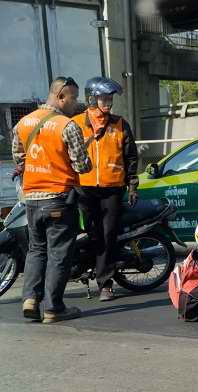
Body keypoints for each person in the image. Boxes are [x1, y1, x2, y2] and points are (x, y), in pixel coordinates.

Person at [12, 76, 92, 323]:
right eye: (73, 98)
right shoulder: (66, 126)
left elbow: (19, 158)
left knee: (36, 251)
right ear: (61, 96)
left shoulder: (23, 123)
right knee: (59, 254)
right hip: (58, 198)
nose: (75, 103)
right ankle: (53, 308)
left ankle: (30, 299)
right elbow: (83, 165)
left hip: (31, 200)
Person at [72, 77, 139, 301]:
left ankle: (105, 283)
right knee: (88, 233)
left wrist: (132, 185)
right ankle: (85, 269)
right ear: (92, 99)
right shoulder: (75, 124)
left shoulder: (120, 124)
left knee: (108, 235)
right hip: (83, 189)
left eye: (110, 99)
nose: (108, 103)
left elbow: (131, 157)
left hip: (112, 189)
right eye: (104, 98)